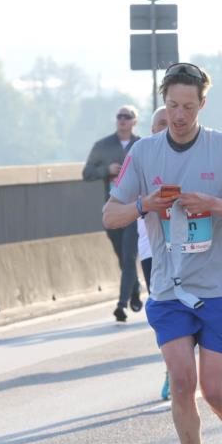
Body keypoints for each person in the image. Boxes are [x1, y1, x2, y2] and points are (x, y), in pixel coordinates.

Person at [103, 63, 222, 444]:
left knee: (213, 390)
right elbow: (109, 215)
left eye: (188, 107)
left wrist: (212, 203)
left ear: (202, 105)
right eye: (172, 105)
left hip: (218, 286)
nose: (178, 115)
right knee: (180, 382)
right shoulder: (145, 153)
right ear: (163, 102)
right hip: (169, 288)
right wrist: (143, 205)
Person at [84, 106, 143, 322]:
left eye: (127, 117)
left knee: (129, 256)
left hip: (136, 209)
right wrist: (106, 171)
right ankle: (134, 289)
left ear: (134, 121)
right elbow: (87, 173)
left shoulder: (142, 145)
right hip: (112, 209)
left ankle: (122, 304)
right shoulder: (102, 146)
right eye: (119, 116)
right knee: (122, 256)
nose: (123, 120)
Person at [141, 106, 172, 401]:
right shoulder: (140, 160)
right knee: (165, 317)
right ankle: (172, 368)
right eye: (159, 124)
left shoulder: (198, 156)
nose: (166, 127)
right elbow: (117, 207)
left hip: (192, 249)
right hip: (152, 251)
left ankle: (182, 367)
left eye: (170, 122)